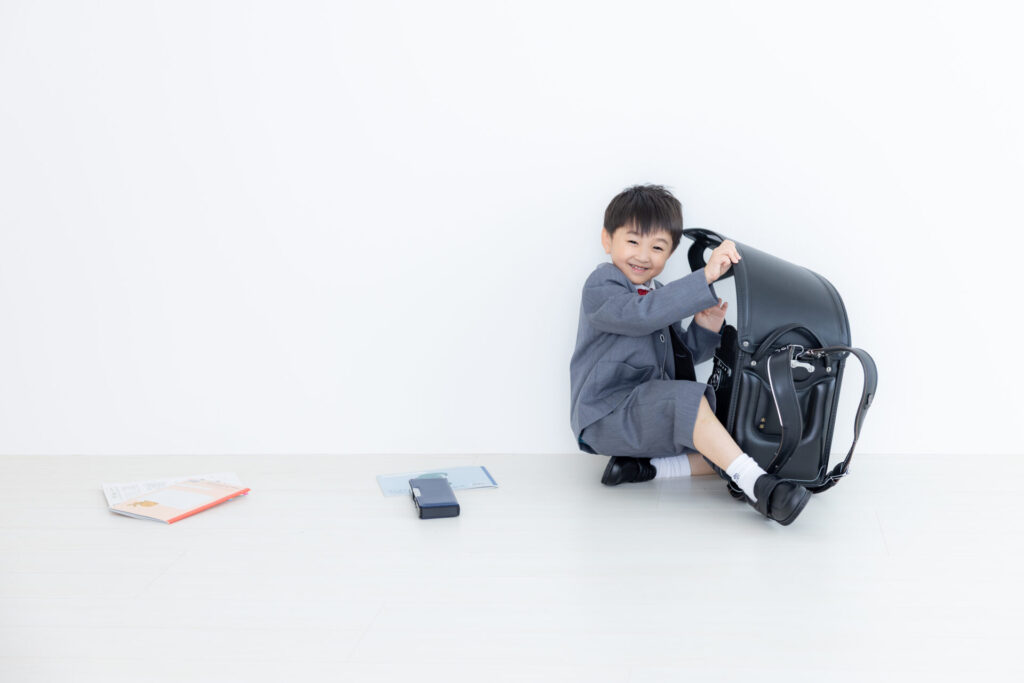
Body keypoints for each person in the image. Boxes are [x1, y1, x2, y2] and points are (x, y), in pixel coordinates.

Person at [569, 184, 811, 525]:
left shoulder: (659, 294)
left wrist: (704, 329)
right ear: (607, 240)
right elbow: (640, 316)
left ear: (669, 255)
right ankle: (760, 488)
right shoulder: (602, 285)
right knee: (692, 404)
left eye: (657, 247)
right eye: (633, 242)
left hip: (648, 411)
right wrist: (705, 276)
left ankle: (647, 469)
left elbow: (680, 358)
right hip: (607, 414)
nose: (643, 256)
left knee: (729, 444)